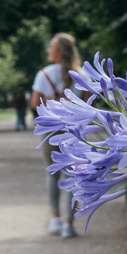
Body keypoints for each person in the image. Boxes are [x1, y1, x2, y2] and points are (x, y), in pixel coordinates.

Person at [31, 32, 81, 237]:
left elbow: (35, 104)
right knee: (74, 175)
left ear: (59, 51)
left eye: (51, 46)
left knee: (52, 173)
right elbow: (90, 104)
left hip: (52, 133)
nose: (48, 50)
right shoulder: (81, 75)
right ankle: (69, 224)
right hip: (75, 134)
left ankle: (55, 219)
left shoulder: (44, 74)